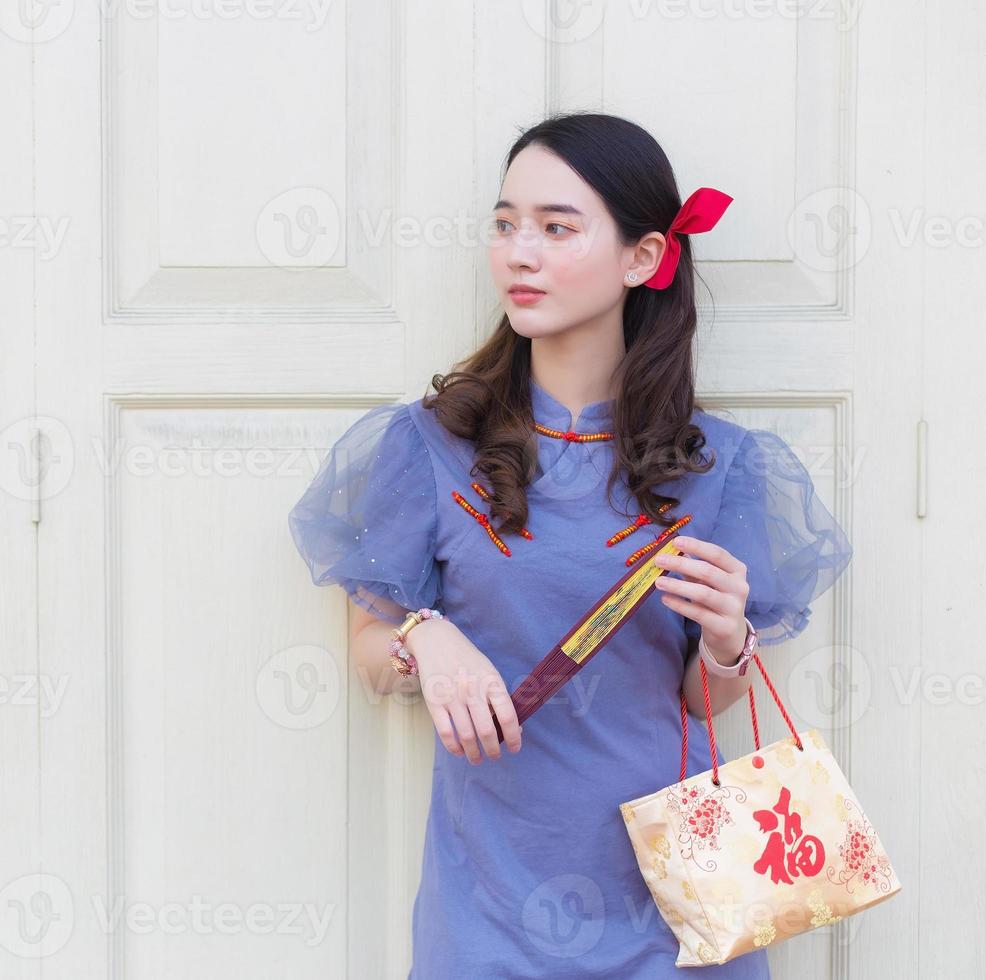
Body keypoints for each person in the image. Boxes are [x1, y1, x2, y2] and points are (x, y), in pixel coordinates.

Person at [286, 112, 853, 978]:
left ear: (643, 257)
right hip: (488, 915)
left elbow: (702, 705)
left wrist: (731, 641)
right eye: (506, 224)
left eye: (557, 227)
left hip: (683, 913)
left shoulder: (723, 467)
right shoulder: (426, 449)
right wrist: (420, 636)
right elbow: (368, 654)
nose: (519, 251)